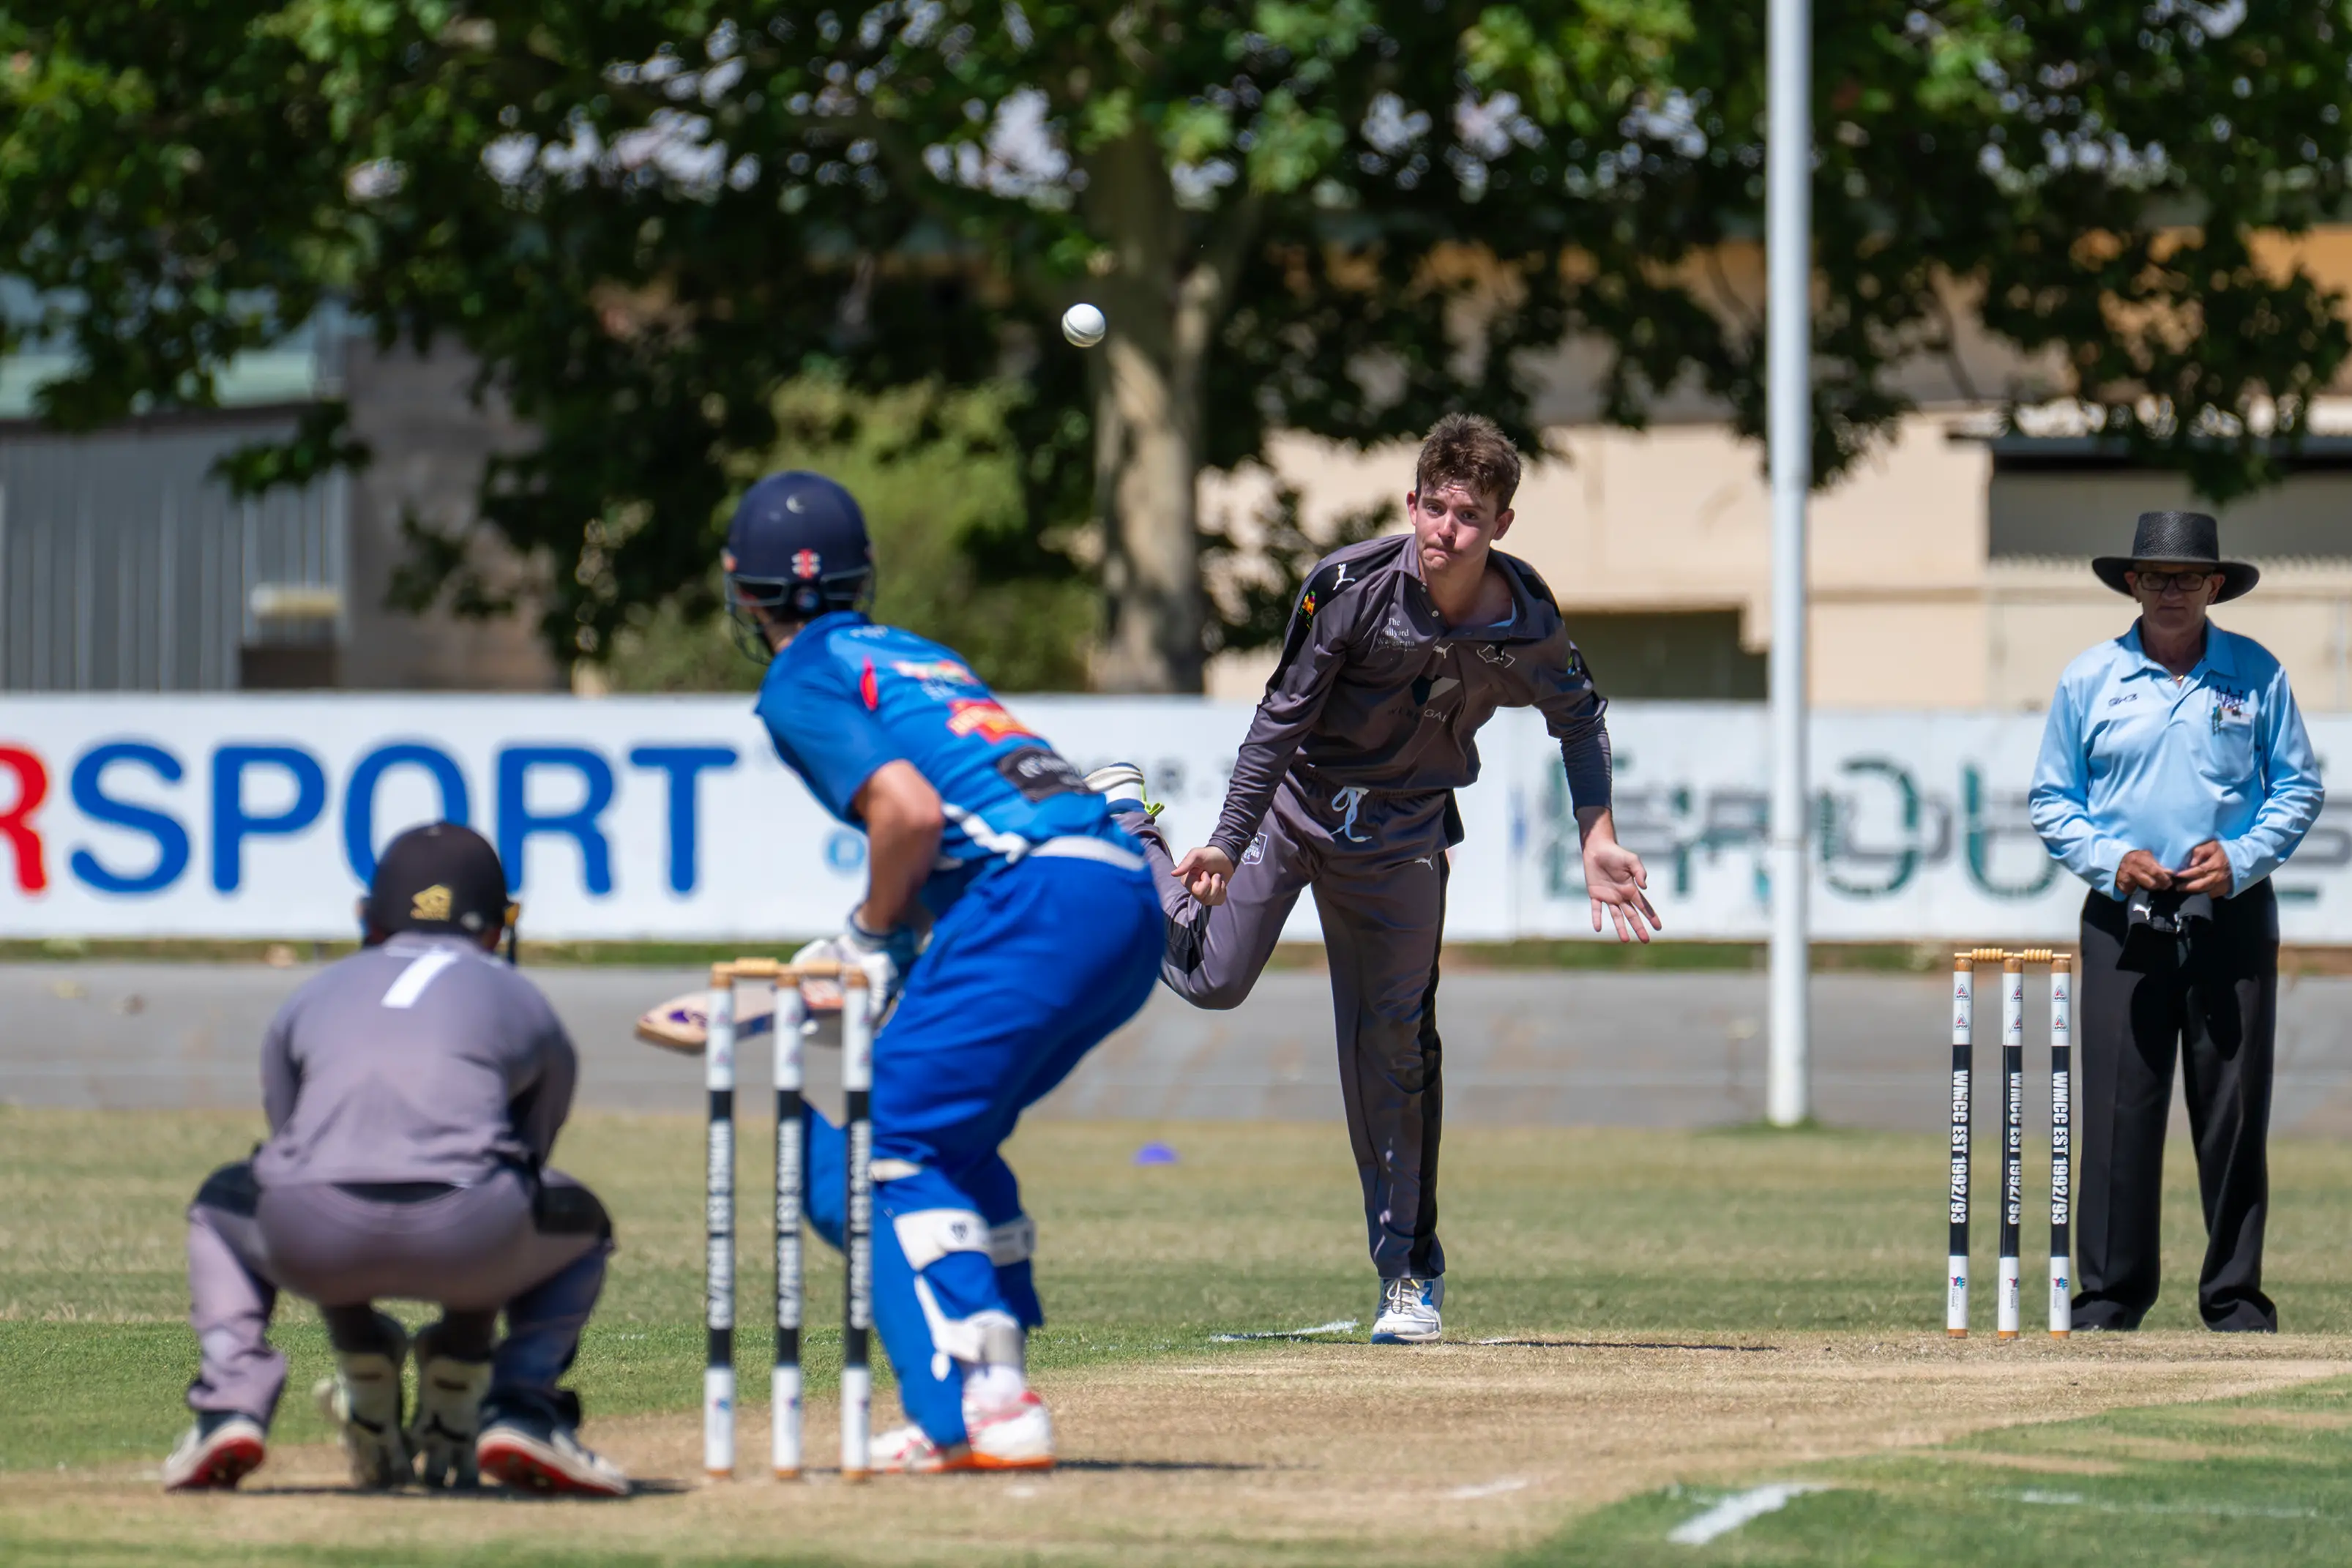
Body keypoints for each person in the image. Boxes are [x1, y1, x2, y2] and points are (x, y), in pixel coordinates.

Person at [1088, 414, 1659, 1345]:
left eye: (1469, 515)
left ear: (1501, 526)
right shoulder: (1349, 589)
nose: (1446, 530)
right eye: (1433, 507)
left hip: (1403, 844)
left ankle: (1409, 1280)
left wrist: (1597, 835)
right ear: (1411, 505)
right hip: (1298, 815)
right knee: (1210, 978)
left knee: (1394, 1052)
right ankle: (1124, 823)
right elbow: (1277, 724)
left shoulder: (1527, 615)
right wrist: (1227, 845)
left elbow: (1581, 717)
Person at [728, 470, 1163, 1472]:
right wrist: (895, 946)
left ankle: (985, 1400)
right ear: (862, 574)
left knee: (877, 1138)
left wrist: (866, 938)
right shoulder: (918, 653)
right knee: (939, 1135)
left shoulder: (799, 677)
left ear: (743, 591)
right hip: (1118, 895)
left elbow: (911, 814)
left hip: (1038, 899)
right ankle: (981, 1369)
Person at [163, 823, 627, 1495]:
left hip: (310, 1235)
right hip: (478, 1235)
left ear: (368, 921)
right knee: (580, 1223)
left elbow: (300, 1153)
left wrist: (353, 1333)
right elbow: (521, 1162)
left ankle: (230, 1403)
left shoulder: (312, 994)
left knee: (220, 1203)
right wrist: (468, 1340)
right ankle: (521, 1404)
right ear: (499, 927)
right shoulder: (521, 997)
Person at [2028, 509, 2323, 1332]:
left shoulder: (2256, 673)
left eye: (2188, 578)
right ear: (2132, 583)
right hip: (2123, 915)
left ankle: (2234, 1298)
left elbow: (2298, 787)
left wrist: (2243, 856)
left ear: (2215, 587)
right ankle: (2109, 1297)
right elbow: (2053, 799)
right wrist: (2109, 859)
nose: (2171, 591)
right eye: (2157, 577)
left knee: (2232, 1113)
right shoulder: (2091, 677)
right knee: (2120, 1111)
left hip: (2229, 913)